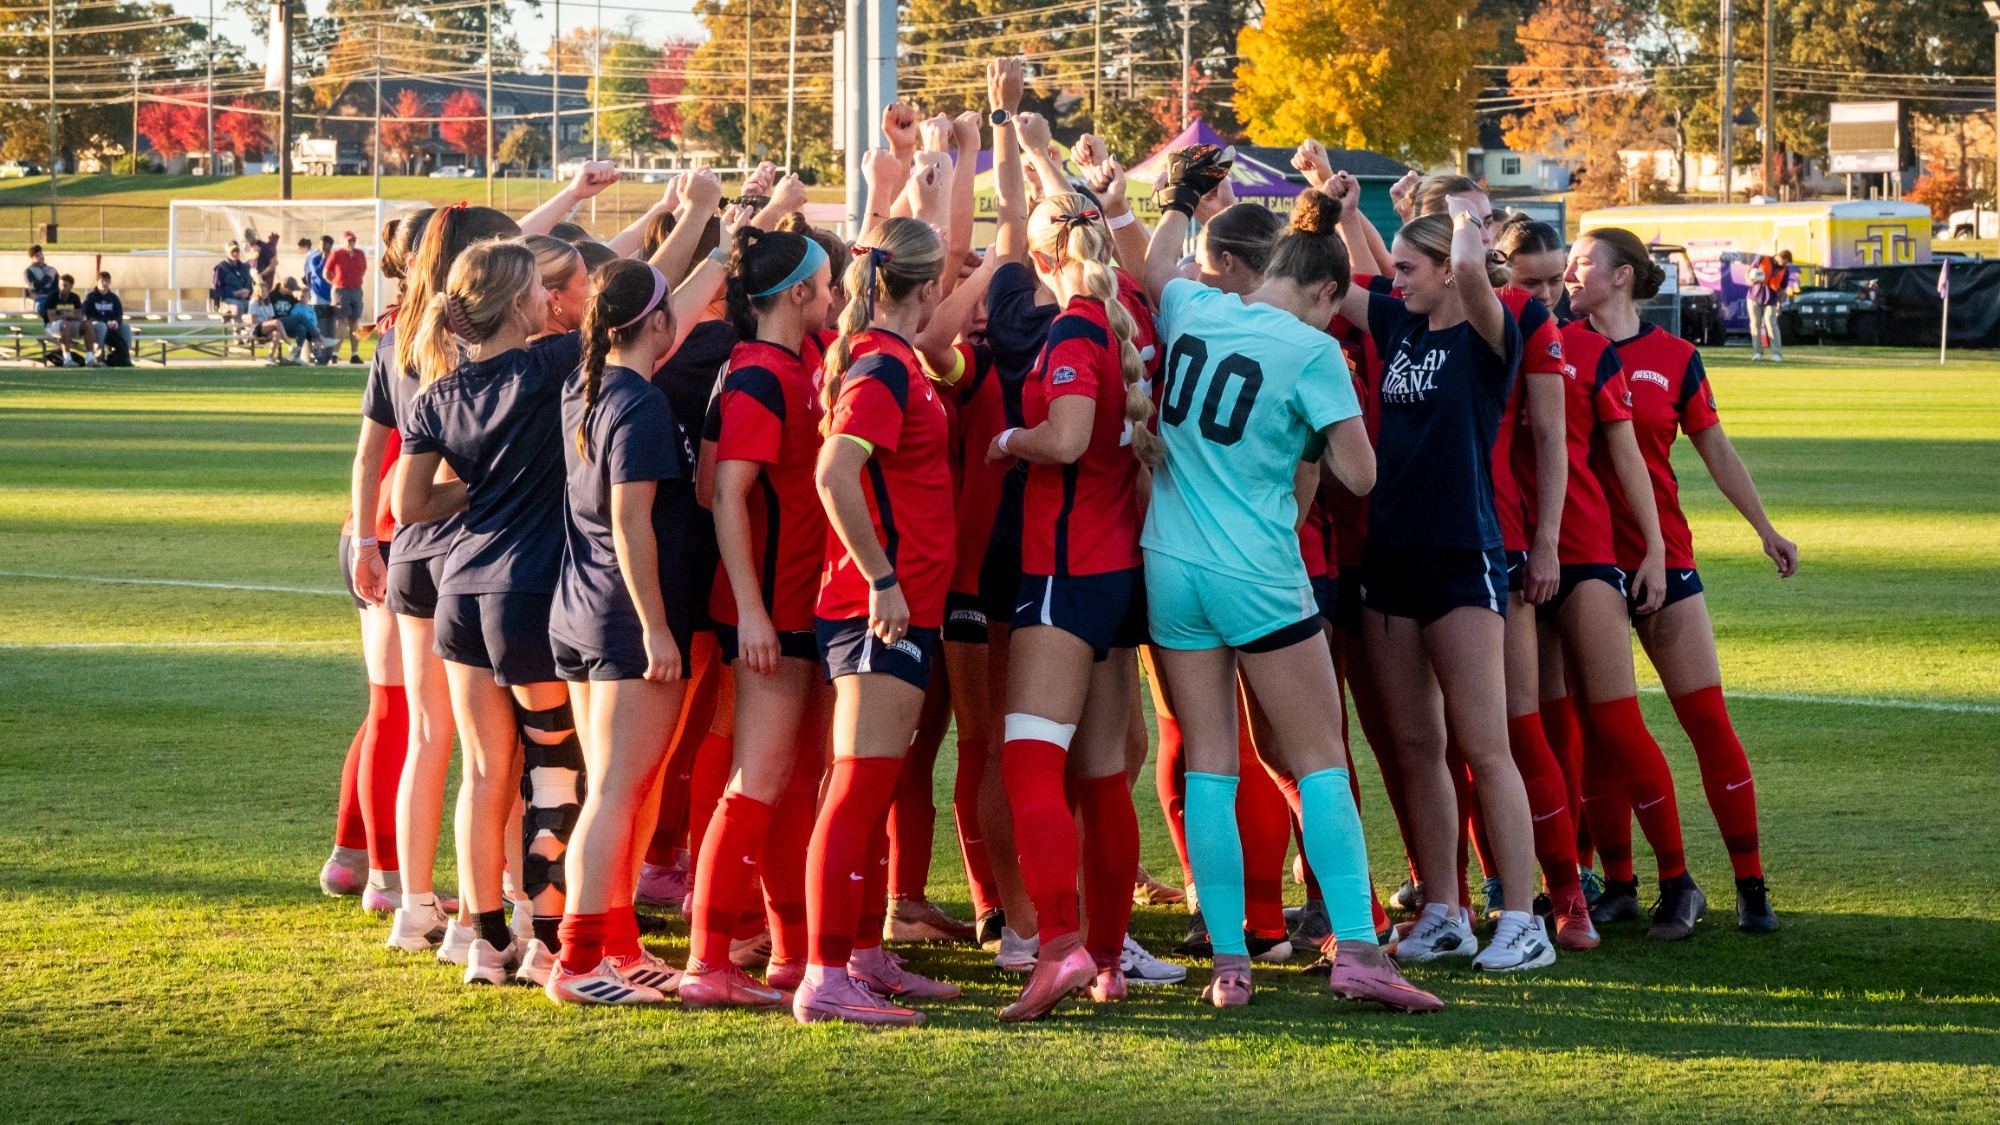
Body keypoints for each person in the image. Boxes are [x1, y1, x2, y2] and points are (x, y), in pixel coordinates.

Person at [1137, 156, 1439, 1011]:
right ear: (1325, 290)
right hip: (1259, 570)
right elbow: (1362, 473)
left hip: (1170, 563)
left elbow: (1154, 265)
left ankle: (1230, 962)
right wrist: (1308, 434)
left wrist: (1179, 200)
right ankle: (1361, 951)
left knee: (1210, 766)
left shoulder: (1195, 305)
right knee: (1319, 761)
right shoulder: (1314, 350)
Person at [1331, 204, 1555, 973]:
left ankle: (1522, 919)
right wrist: (1331, 210)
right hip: (1391, 558)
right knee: (1416, 745)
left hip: (1462, 554)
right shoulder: (1400, 323)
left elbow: (1467, 267)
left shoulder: (1490, 334)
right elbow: (1329, 283)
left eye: (1406, 267)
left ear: (1446, 271)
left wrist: (1464, 217)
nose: (1393, 279)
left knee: (1484, 745)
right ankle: (1444, 910)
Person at [1569, 226, 1793, 935]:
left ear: (1622, 276)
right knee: (1600, 733)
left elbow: (1715, 449)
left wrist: (1765, 528)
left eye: (1583, 262)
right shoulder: (1557, 347)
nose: (1571, 273)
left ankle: (1751, 885)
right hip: (1584, 567)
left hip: (1665, 560)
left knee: (1707, 720)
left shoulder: (1675, 357)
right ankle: (1622, 883)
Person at [392, 236, 586, 990]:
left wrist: (478, 491)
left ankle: (484, 941)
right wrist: (705, 219)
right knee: (552, 768)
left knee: (481, 770)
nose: (548, 299)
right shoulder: (548, 364)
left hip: (459, 595)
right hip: (526, 594)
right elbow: (649, 294)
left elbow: (409, 506)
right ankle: (543, 940)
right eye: (538, 287)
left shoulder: (436, 395)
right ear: (517, 302)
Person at [989, 193, 1161, 1020]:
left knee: (1028, 761)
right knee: (1101, 774)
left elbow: (1064, 438)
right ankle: (1108, 958)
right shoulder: (1128, 319)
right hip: (1120, 567)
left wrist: (1006, 441)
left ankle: (1059, 945)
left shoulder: (1073, 330)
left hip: (1067, 567)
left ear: (1046, 258)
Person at [793, 216, 957, 1027]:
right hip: (878, 613)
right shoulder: (884, 365)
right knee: (856, 790)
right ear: (926, 286)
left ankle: (860, 953)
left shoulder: (893, 357)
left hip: (902, 604)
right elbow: (835, 472)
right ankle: (824, 976)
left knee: (872, 785)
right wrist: (882, 579)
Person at [684, 225, 836, 1007]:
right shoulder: (758, 375)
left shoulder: (794, 361)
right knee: (758, 782)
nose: (835, 295)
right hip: (771, 605)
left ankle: (789, 949)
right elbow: (722, 493)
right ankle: (707, 959)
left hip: (796, 598)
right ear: (798, 292)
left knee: (796, 780)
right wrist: (750, 610)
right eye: (828, 283)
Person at [544, 258, 700, 1005]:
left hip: (580, 606)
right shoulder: (638, 403)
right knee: (614, 793)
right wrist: (657, 629)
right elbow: (631, 522)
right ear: (656, 323)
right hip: (621, 616)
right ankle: (577, 963)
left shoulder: (585, 383)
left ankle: (617, 946)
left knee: (614, 791)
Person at [327, 230, 370, 363]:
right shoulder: (337, 254)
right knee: (342, 321)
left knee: (354, 321)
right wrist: (336, 283)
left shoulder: (360, 254)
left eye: (353, 240)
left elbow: (363, 270)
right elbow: (326, 273)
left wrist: (354, 281)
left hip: (356, 290)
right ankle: (334, 353)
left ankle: (355, 354)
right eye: (349, 240)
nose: (351, 243)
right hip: (341, 291)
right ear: (343, 241)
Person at [1746, 248, 1792, 362]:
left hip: (1771, 299)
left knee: (1772, 325)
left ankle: (1776, 353)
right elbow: (1748, 273)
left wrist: (1780, 304)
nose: (1785, 264)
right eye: (1785, 262)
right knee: (1755, 324)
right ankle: (1757, 352)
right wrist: (1750, 280)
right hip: (1754, 297)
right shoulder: (1762, 259)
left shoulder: (1785, 270)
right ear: (1780, 257)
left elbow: (1782, 289)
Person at [80, 272, 126, 367]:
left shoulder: (114, 298)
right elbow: (87, 315)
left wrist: (116, 322)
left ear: (110, 282)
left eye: (107, 281)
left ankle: (124, 356)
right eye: (102, 281)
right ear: (97, 282)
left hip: (111, 325)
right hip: (95, 325)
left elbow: (119, 315)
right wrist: (105, 322)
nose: (105, 283)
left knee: (125, 327)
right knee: (102, 326)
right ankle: (99, 358)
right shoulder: (90, 297)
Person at [44, 274, 85, 366]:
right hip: (52, 327)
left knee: (88, 325)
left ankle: (91, 358)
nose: (62, 288)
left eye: (65, 285)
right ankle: (67, 359)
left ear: (71, 286)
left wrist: (69, 316)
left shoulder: (75, 297)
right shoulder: (53, 296)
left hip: (70, 324)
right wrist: (67, 315)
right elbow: (51, 318)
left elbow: (79, 316)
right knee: (65, 325)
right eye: (60, 285)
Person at [211, 242, 254, 319]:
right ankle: (236, 326)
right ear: (226, 253)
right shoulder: (221, 268)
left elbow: (249, 284)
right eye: (232, 251)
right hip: (226, 299)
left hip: (243, 299)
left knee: (255, 306)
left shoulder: (245, 267)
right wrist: (234, 293)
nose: (235, 253)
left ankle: (254, 326)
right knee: (238, 306)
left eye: (237, 251)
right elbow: (217, 289)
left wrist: (247, 291)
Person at [305, 234, 337, 339]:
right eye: (321, 244)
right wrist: (323, 260)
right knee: (317, 319)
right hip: (318, 293)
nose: (323, 247)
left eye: (325, 244)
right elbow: (318, 273)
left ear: (330, 246)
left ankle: (328, 341)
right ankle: (316, 341)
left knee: (329, 320)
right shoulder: (315, 258)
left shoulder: (334, 258)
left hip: (331, 294)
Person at [25, 245, 57, 322]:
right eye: (37, 255)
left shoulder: (51, 269)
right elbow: (37, 287)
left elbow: (57, 287)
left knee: (71, 306)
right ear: (32, 258)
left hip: (53, 298)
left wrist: (45, 289)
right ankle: (50, 325)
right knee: (44, 306)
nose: (41, 257)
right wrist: (49, 277)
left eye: (41, 254)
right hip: (39, 300)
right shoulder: (29, 271)